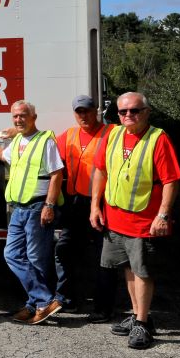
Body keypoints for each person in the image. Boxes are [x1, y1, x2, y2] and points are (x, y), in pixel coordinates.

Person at [89, 92, 180, 350]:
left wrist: (163, 215)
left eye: (135, 110)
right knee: (127, 267)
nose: (128, 115)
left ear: (146, 112)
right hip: (115, 218)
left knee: (142, 270)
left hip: (144, 220)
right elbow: (100, 170)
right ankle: (137, 315)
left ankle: (142, 324)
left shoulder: (158, 138)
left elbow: (171, 180)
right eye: (123, 112)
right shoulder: (113, 134)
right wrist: (95, 206)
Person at [0, 100, 64, 325]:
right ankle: (40, 302)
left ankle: (37, 305)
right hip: (19, 208)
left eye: (23, 115)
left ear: (34, 117)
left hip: (37, 207)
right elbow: (3, 155)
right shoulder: (19, 140)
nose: (18, 120)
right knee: (12, 254)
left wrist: (49, 206)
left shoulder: (45, 141)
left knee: (36, 259)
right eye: (15, 116)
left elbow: (57, 174)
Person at [55, 95, 117, 322]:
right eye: (79, 112)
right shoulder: (69, 135)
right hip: (74, 203)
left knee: (104, 257)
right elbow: (46, 151)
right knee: (64, 250)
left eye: (88, 111)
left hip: (102, 203)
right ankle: (66, 299)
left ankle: (103, 307)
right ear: (75, 114)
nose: (84, 116)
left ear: (96, 111)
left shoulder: (111, 133)